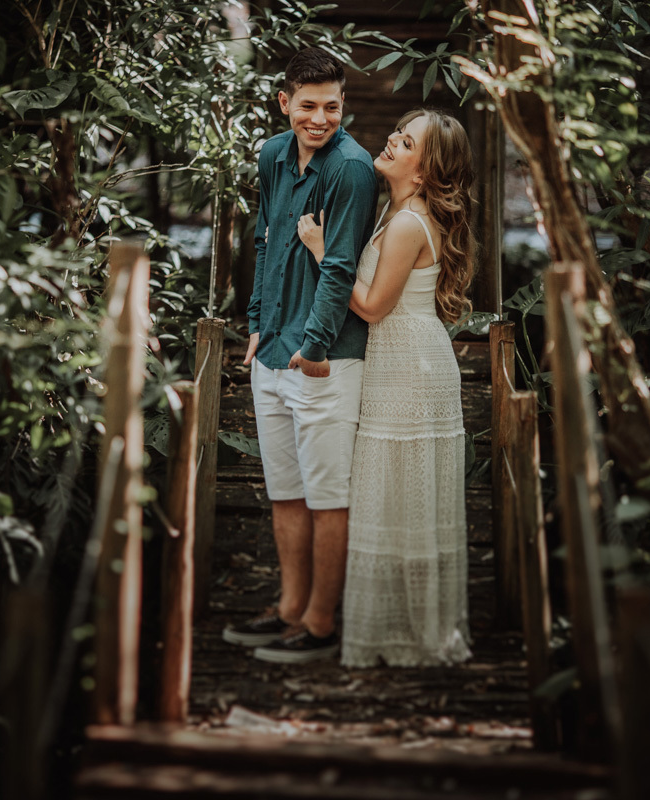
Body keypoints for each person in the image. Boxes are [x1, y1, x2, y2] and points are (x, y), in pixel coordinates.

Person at [297, 108, 476, 667]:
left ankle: (416, 632)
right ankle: (398, 626)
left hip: (411, 367)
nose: (391, 142)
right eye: (396, 133)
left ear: (422, 174)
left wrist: (326, 255)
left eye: (406, 142)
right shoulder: (395, 212)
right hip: (400, 360)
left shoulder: (406, 222)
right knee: (395, 496)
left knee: (404, 495)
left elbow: (373, 307)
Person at [221, 48, 378, 663]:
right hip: (273, 351)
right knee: (285, 491)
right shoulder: (270, 155)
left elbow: (338, 269)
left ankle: (319, 623)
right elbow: (265, 241)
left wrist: (312, 347)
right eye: (307, 106)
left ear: (344, 104)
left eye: (332, 107)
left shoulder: (353, 169)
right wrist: (258, 324)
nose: (320, 119)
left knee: (326, 496)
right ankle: (289, 608)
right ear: (284, 101)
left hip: (325, 358)